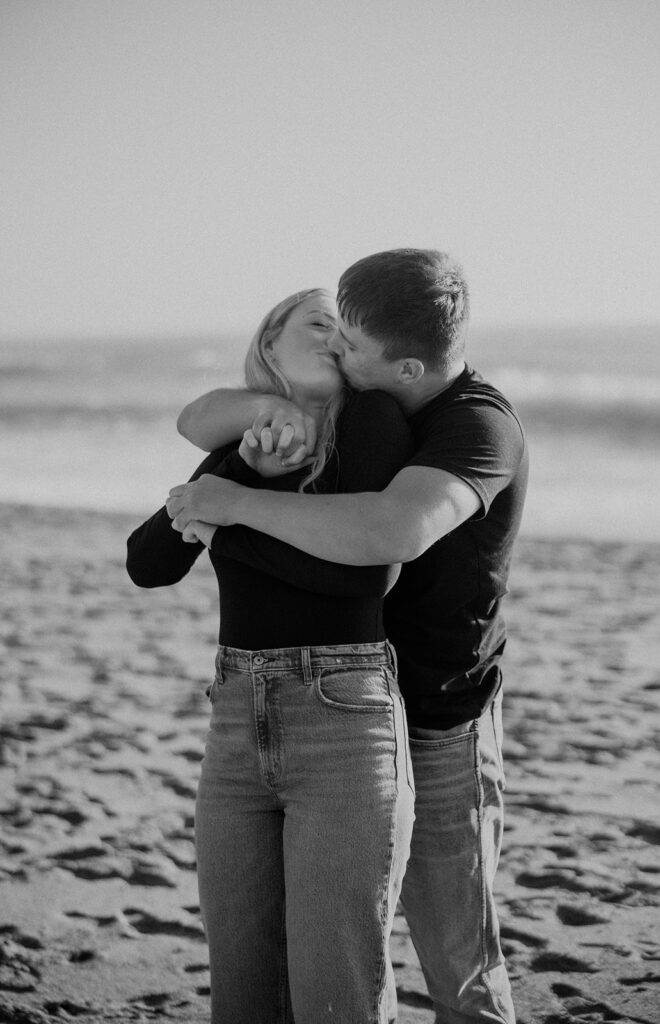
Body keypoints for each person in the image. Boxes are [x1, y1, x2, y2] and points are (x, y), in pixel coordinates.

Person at [167, 250, 529, 1024]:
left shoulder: (476, 425)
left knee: (454, 962)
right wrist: (280, 411)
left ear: (402, 365)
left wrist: (233, 504)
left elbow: (385, 532)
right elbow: (202, 416)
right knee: (335, 956)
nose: (337, 351)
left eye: (350, 346)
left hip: (437, 719)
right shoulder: (358, 405)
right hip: (346, 708)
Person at [126, 288, 415, 1024]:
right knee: (243, 989)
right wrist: (242, 478)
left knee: (334, 993)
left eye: (346, 329)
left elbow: (359, 578)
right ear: (269, 346)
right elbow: (148, 561)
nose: (335, 335)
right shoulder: (243, 447)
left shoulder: (373, 424)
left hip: (342, 718)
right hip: (233, 721)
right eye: (319, 321)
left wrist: (227, 523)